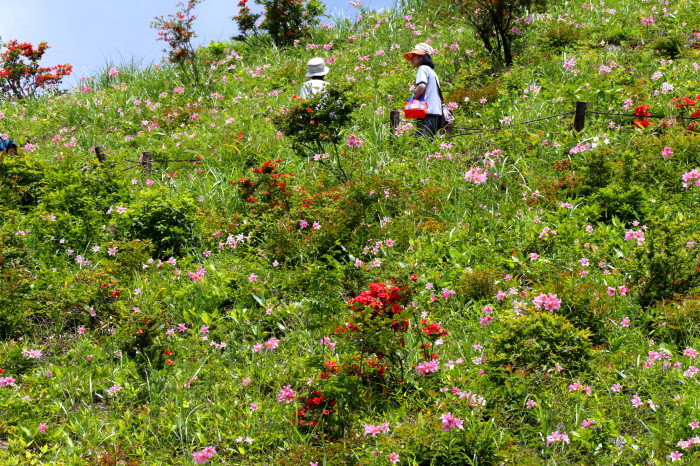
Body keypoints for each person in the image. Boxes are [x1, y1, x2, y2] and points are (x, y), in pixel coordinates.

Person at [404, 43, 442, 137]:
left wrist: (415, 97)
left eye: (414, 55)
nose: (412, 58)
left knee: (420, 145)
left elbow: (421, 86)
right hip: (436, 114)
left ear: (422, 57)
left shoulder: (422, 68)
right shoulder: (432, 72)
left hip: (427, 113)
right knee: (428, 144)